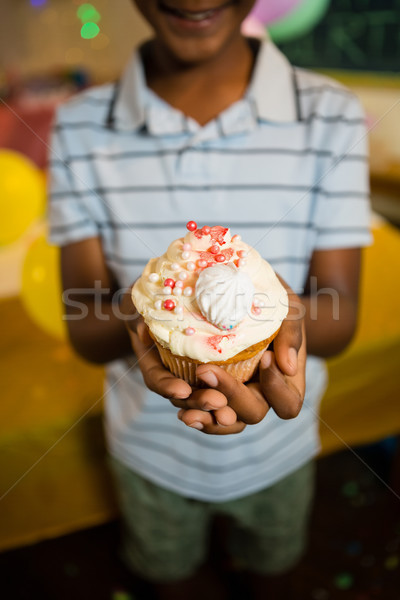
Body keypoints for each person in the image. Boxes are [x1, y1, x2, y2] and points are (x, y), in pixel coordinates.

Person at [48, 1, 371, 598]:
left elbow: (342, 311)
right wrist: (150, 311)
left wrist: (281, 324)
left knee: (276, 574)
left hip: (282, 451)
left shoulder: (331, 114)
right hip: (148, 449)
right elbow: (83, 320)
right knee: (172, 577)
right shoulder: (78, 125)